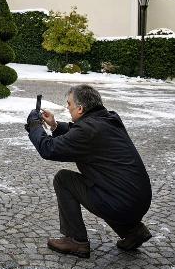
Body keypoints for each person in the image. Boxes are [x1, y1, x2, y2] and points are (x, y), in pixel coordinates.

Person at [24, 84, 152, 258]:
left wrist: (34, 125)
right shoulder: (110, 118)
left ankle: (76, 241)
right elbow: (80, 134)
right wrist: (54, 126)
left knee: (63, 179)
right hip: (139, 200)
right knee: (105, 186)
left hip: (121, 204)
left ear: (80, 108)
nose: (67, 108)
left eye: (69, 104)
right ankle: (133, 232)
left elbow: (49, 149)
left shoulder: (87, 130)